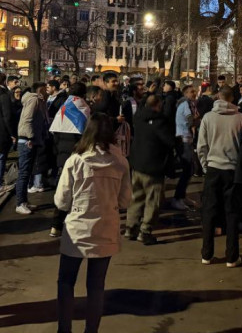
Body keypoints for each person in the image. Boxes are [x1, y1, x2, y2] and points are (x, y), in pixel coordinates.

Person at [54, 114, 131, 333]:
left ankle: (64, 329)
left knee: (66, 282)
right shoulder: (121, 162)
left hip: (78, 228)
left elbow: (61, 201)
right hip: (106, 226)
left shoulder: (75, 161)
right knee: (96, 286)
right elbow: (125, 200)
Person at [197, 87, 242, 267]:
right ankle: (232, 256)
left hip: (213, 168)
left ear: (218, 97)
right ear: (232, 99)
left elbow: (201, 146)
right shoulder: (241, 118)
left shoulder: (208, 117)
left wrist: (205, 166)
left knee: (209, 211)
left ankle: (207, 254)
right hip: (232, 170)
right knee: (232, 213)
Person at [124, 95, 176, 245]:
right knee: (153, 200)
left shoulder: (138, 118)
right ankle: (145, 231)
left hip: (137, 164)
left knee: (136, 197)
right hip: (153, 166)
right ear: (158, 105)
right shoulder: (159, 123)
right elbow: (169, 141)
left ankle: (130, 228)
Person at [49, 82, 93, 238]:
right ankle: (74, 223)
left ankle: (56, 225)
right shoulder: (84, 110)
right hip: (77, 155)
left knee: (63, 189)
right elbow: (86, 134)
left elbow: (55, 133)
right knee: (77, 190)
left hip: (61, 155)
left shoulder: (63, 108)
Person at [15, 82, 51, 215]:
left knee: (27, 171)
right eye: (45, 89)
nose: (48, 91)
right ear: (40, 89)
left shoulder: (38, 101)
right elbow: (27, 119)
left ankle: (24, 201)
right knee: (24, 172)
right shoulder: (34, 100)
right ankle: (20, 203)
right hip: (27, 141)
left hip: (32, 140)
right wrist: (29, 137)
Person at [172, 84, 199, 210]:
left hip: (187, 138)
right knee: (187, 169)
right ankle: (177, 198)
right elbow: (190, 120)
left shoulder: (191, 104)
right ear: (185, 94)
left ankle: (182, 195)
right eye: (191, 92)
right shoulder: (186, 105)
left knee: (190, 169)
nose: (193, 93)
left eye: (194, 91)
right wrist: (197, 121)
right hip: (183, 139)